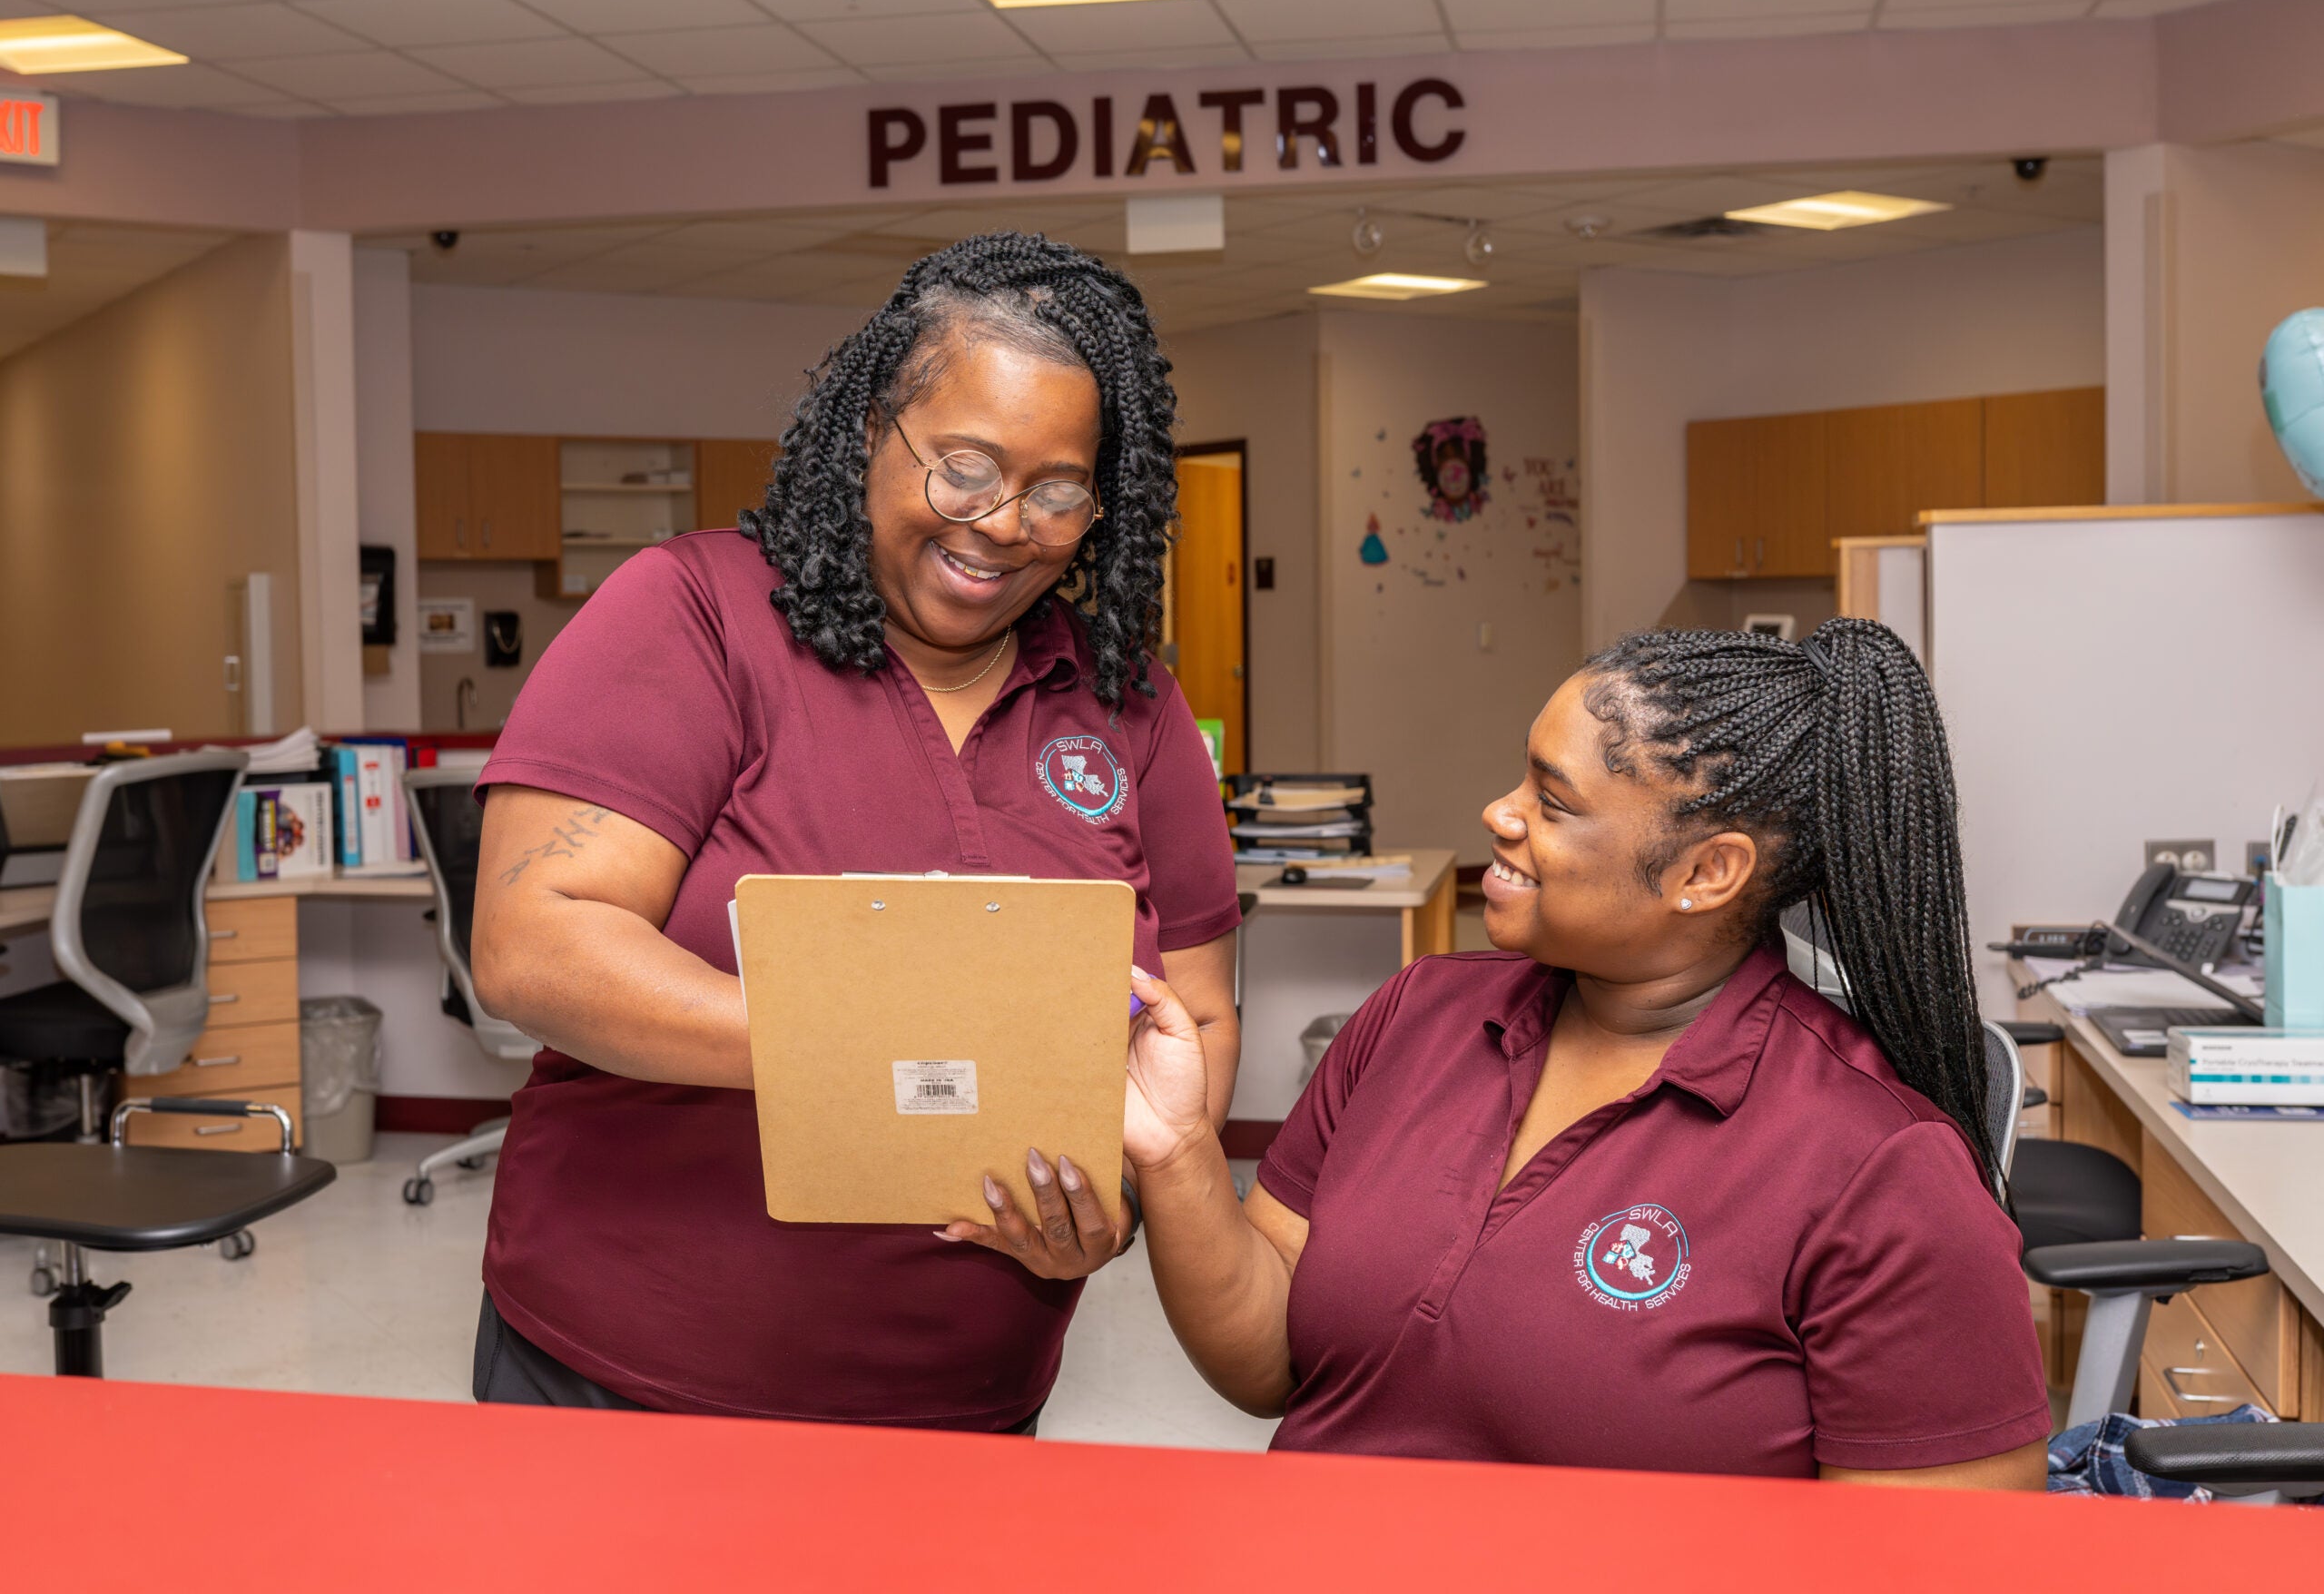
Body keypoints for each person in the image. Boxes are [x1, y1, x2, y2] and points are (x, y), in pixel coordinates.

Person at [467, 233, 1241, 1428]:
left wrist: (1127, 1197)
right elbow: (535, 940)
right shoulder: (696, 615)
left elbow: (1196, 1006)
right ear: (870, 430)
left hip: (962, 1406)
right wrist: (881, 1046)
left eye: (1057, 491)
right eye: (966, 468)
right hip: (632, 1382)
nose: (1001, 524)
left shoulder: (1128, 699)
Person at [1052, 618, 2051, 1484]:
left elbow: (1934, 1561)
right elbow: (1270, 1359)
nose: (1500, 815)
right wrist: (1178, 1150)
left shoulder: (1880, 1166)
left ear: (1706, 871)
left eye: (1554, 802)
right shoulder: (1415, 1017)